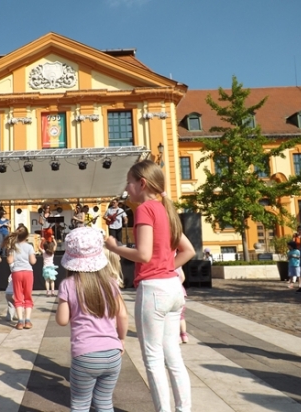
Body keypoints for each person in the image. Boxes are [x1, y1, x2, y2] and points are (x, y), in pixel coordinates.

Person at [105, 159, 195, 412]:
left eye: (129, 182)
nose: (126, 188)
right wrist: (167, 267)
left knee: (153, 359)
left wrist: (115, 248)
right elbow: (189, 250)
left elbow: (143, 255)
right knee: (173, 357)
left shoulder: (145, 209)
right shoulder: (166, 209)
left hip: (154, 289)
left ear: (142, 183)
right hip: (173, 288)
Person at [56, 227, 128, 412]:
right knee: (104, 402)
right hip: (113, 353)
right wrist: (121, 339)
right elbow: (122, 315)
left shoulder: (68, 285)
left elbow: (62, 320)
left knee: (80, 403)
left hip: (85, 355)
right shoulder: (111, 283)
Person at [3, 225, 37, 330]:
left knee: (18, 297)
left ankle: (20, 322)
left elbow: (9, 260)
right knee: (28, 296)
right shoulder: (29, 247)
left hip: (16, 272)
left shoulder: (14, 247)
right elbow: (33, 261)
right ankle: (28, 321)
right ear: (27, 236)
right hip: (28, 272)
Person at [177, 266, 189, 344]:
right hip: (181, 292)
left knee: (172, 316)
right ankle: (184, 335)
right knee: (181, 316)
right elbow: (182, 277)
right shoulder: (178, 265)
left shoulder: (166, 266)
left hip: (170, 293)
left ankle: (176, 336)